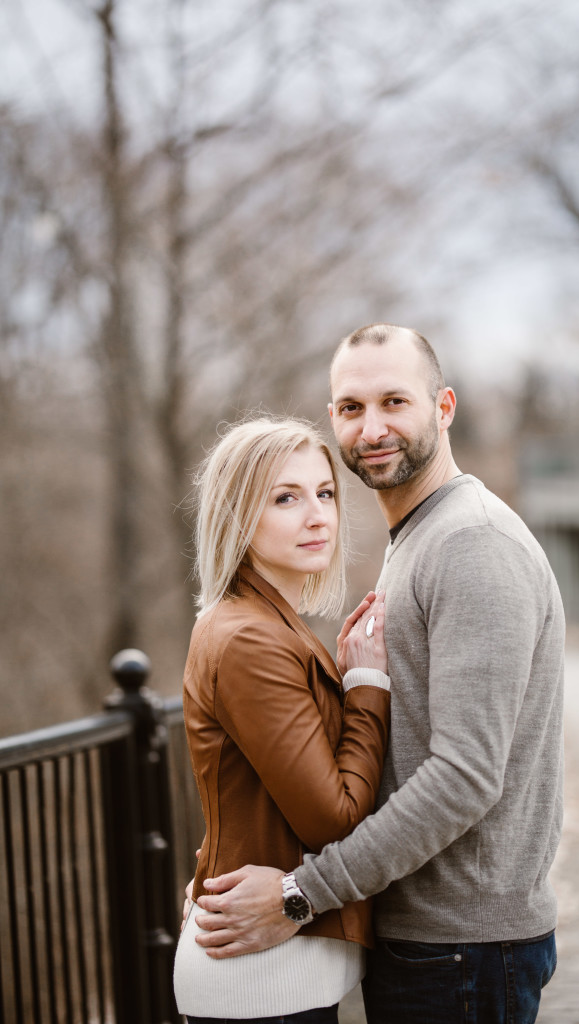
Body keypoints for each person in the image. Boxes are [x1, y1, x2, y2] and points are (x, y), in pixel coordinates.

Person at [188, 326, 565, 1024]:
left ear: (443, 408)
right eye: (351, 408)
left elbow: (465, 777)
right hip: (421, 936)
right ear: (333, 419)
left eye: (395, 401)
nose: (372, 428)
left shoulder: (471, 543)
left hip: (462, 944)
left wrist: (301, 893)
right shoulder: (419, 537)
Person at [173, 416, 391, 1023]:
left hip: (276, 970)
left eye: (325, 493)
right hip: (260, 977)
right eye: (286, 498)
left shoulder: (265, 624)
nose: (318, 516)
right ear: (238, 515)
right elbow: (333, 820)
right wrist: (368, 687)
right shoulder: (249, 638)